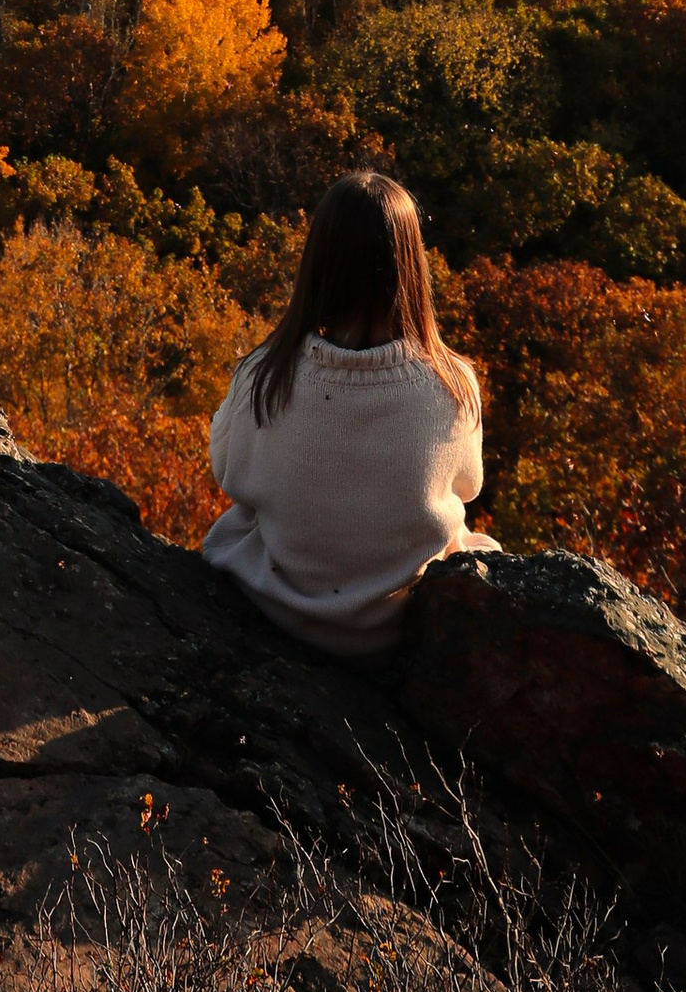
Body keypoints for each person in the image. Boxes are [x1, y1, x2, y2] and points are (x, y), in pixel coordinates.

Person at [203, 169, 498, 659]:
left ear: (318, 262)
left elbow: (226, 470)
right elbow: (469, 486)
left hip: (276, 609)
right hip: (396, 627)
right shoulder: (453, 384)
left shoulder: (264, 375)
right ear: (411, 265)